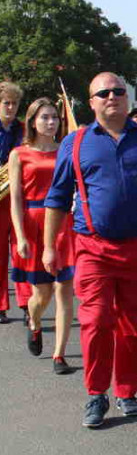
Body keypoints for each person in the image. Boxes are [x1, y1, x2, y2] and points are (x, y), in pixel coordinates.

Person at [43, 72, 137, 429]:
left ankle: (127, 390)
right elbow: (57, 198)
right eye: (103, 92)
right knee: (95, 321)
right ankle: (96, 393)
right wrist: (48, 247)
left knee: (132, 324)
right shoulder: (74, 143)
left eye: (118, 91)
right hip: (92, 247)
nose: (112, 97)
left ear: (127, 97)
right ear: (91, 102)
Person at [9, 98, 75, 372]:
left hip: (64, 223)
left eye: (54, 118)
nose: (51, 122)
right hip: (34, 223)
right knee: (42, 294)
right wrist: (20, 236)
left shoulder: (67, 150)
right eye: (45, 117)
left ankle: (59, 355)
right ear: (33, 121)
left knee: (64, 291)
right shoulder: (19, 154)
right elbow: (15, 199)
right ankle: (34, 322)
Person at [1, 81, 32, 325]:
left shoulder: (24, 129)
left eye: (15, 103)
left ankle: (26, 303)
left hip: (21, 196)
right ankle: (1, 305)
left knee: (22, 250)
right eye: (6, 103)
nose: (11, 107)